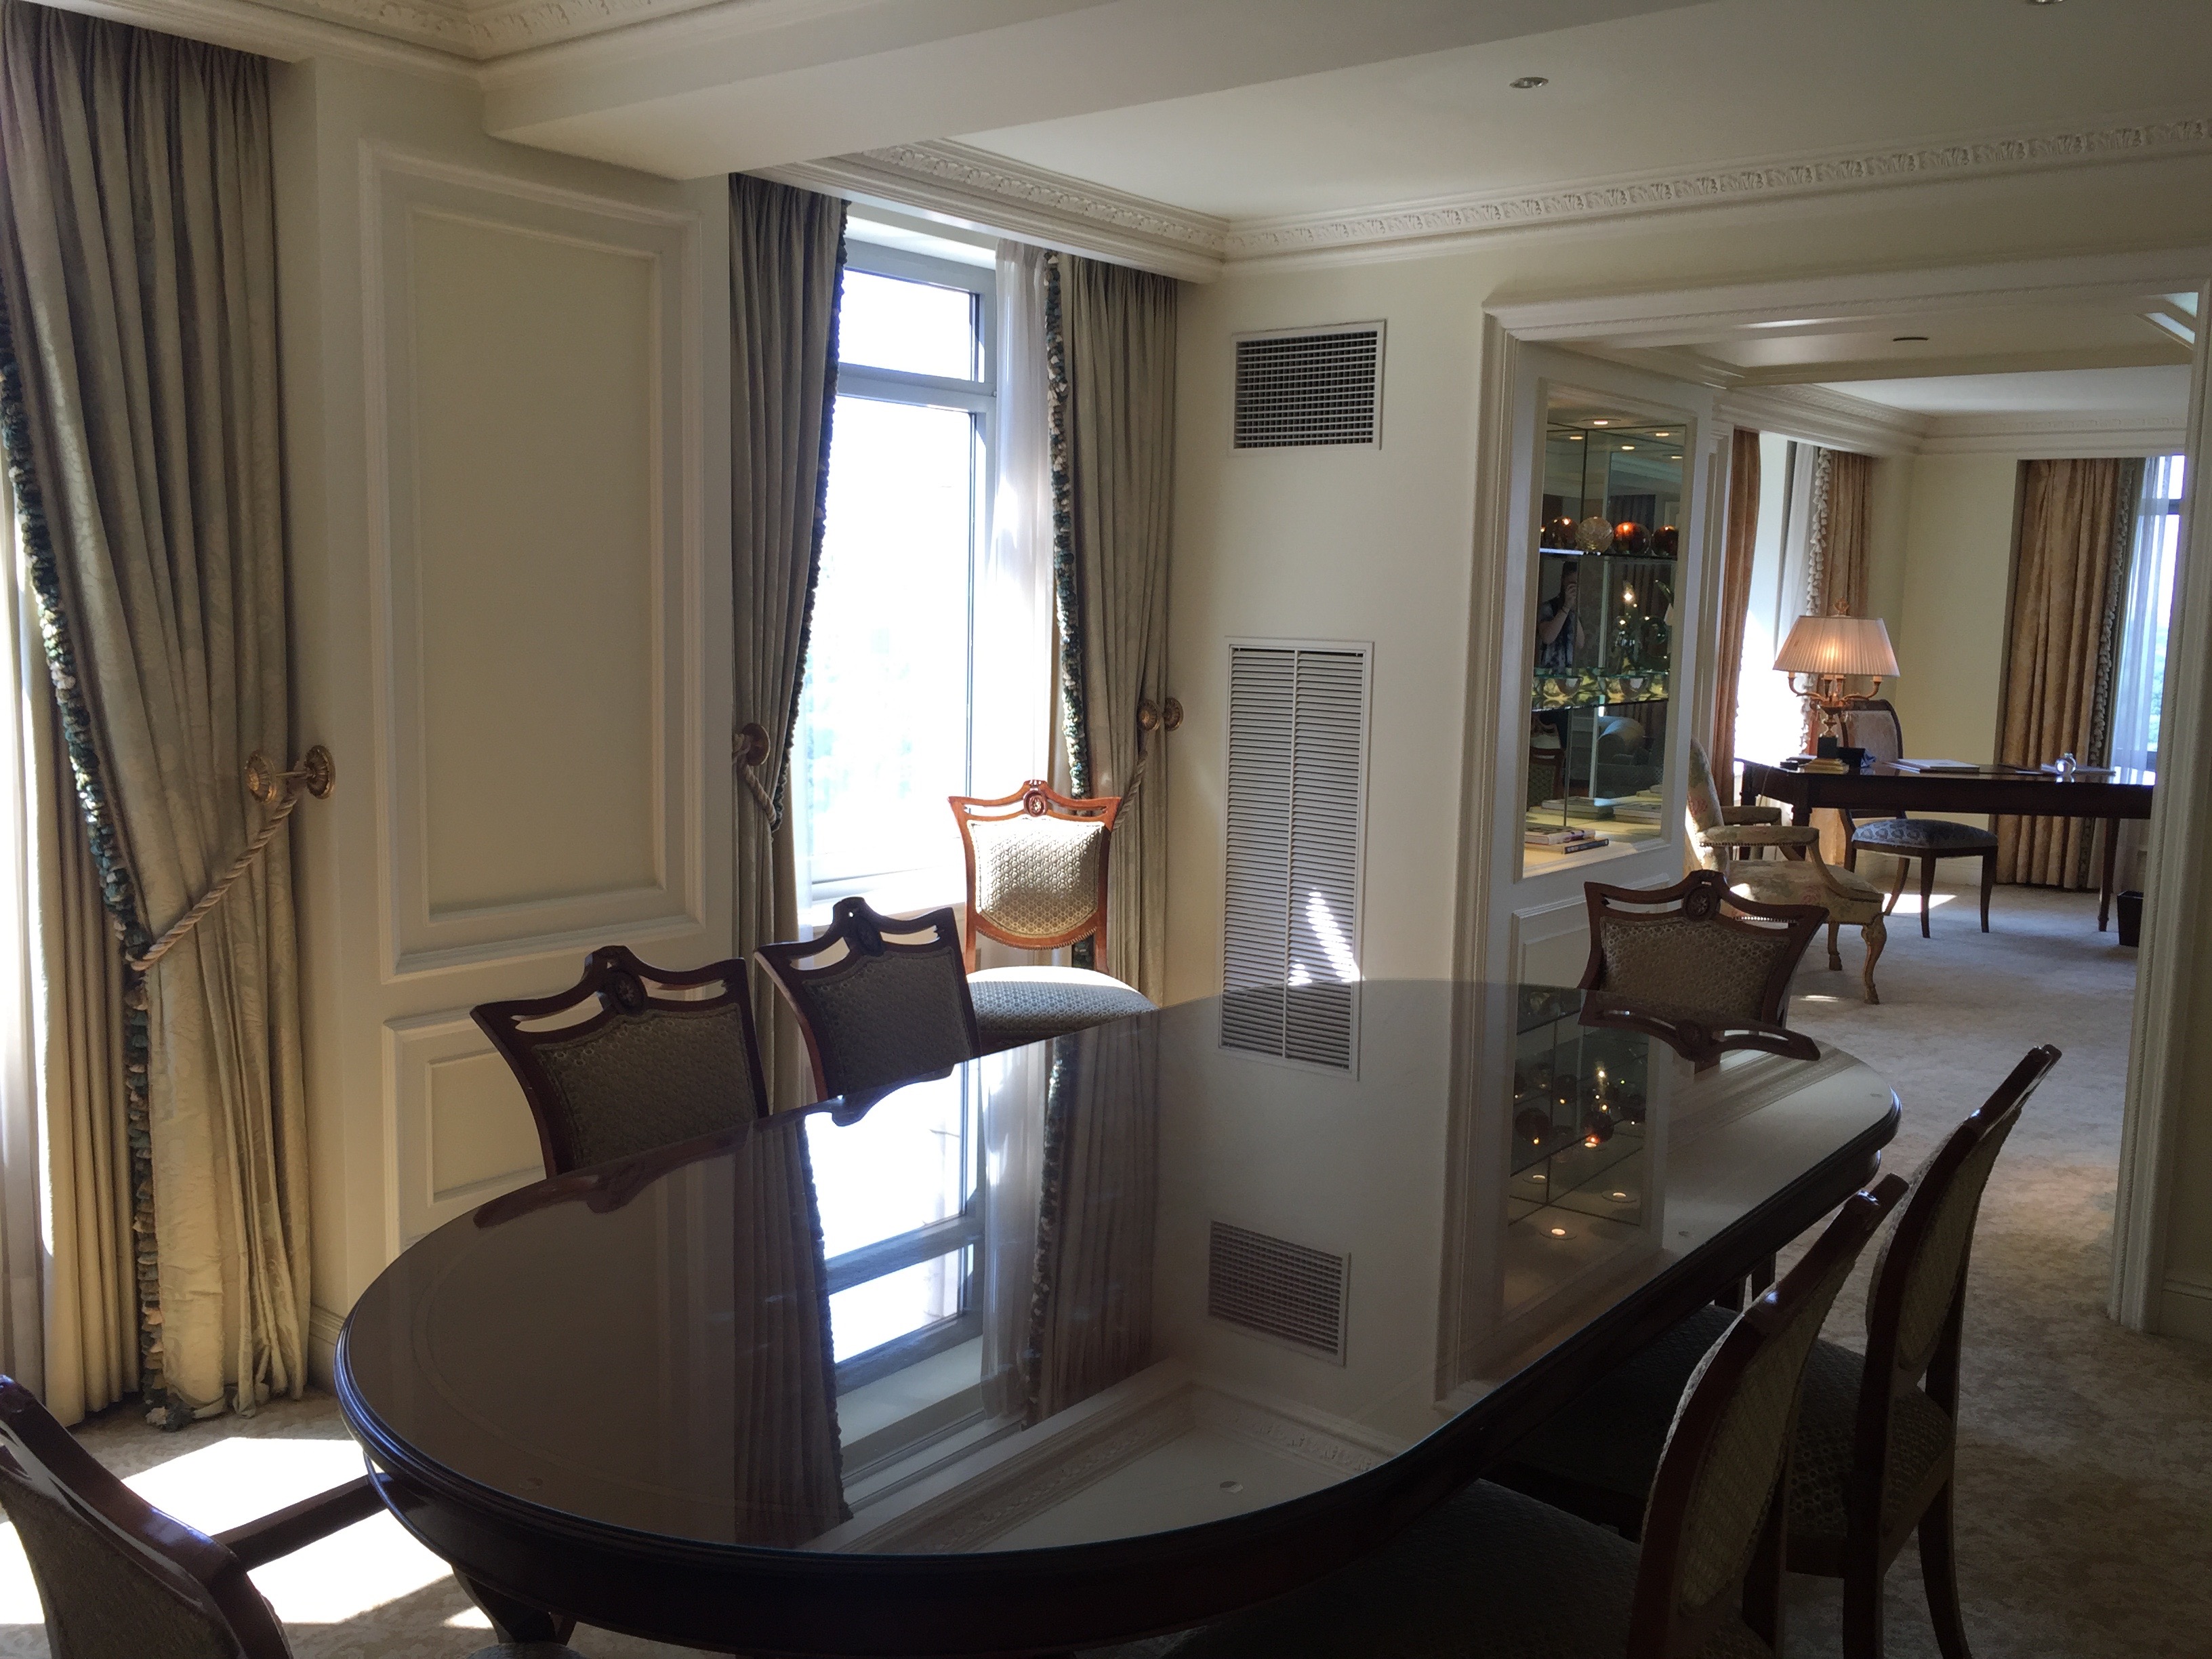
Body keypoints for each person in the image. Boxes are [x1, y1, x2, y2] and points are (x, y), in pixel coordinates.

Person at [1536, 561, 1582, 672]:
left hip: (1569, 671)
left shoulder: (1574, 611)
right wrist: (1566, 607)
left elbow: (1580, 643)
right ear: (1563, 581)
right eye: (1571, 584)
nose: (1574, 588)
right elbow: (1547, 638)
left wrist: (1574, 611)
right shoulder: (1547, 607)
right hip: (1549, 671)